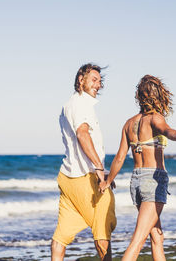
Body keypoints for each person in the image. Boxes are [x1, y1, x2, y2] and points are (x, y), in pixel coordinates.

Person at [99, 75, 176, 261]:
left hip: (137, 182)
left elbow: (120, 157)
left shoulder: (129, 123)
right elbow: (167, 131)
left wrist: (108, 181)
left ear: (139, 96)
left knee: (157, 236)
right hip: (153, 181)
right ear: (158, 96)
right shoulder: (156, 118)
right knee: (138, 241)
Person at [51, 63, 116, 261]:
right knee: (102, 225)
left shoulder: (70, 105)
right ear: (81, 80)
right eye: (94, 80)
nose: (98, 85)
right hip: (84, 177)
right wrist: (99, 168)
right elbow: (82, 134)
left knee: (61, 236)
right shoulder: (80, 104)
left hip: (69, 176)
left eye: (100, 81)